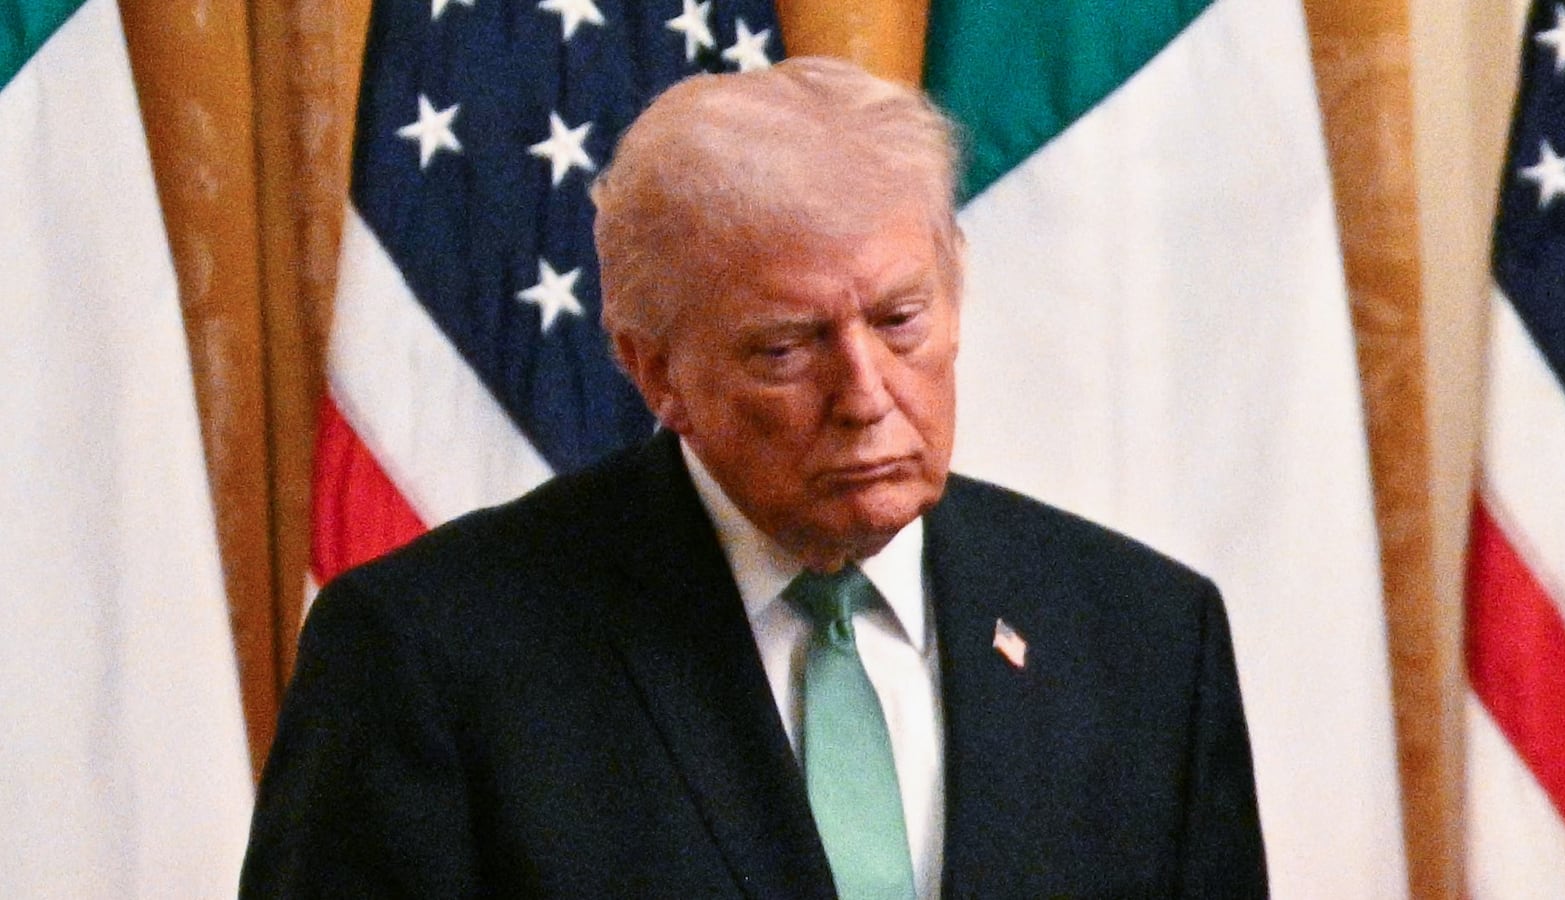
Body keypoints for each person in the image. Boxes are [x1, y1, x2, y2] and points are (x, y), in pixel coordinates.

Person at [240, 57, 1267, 898]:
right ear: (654, 369)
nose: (864, 392)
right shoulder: (435, 656)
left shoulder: (1143, 640)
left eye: (900, 321)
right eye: (785, 349)